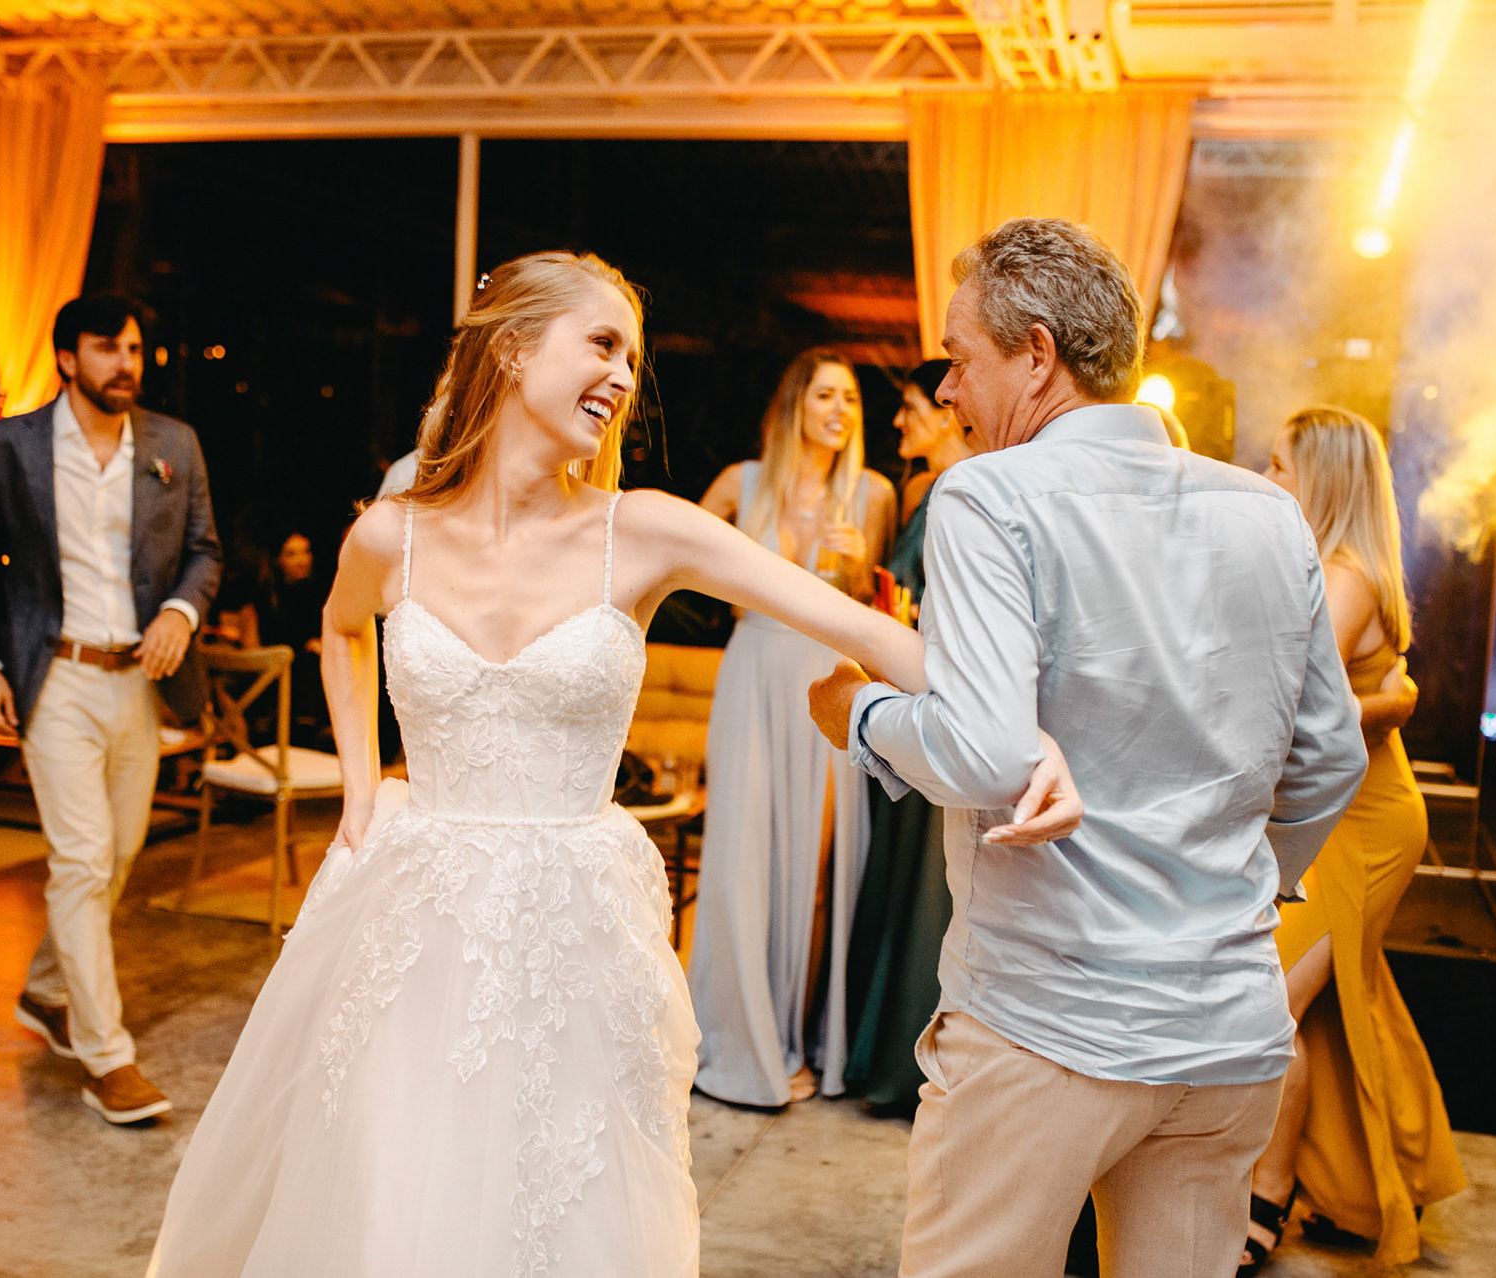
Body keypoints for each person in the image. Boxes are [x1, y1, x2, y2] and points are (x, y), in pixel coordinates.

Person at [144, 250, 1052, 1277]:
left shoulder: (646, 531)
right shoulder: (390, 537)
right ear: (515, 348)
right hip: (411, 918)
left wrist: (1023, 734)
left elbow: (869, 632)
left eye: (632, 357)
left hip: (569, 926)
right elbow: (339, 630)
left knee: (557, 1203)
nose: (624, 377)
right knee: (393, 1190)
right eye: (603, 345)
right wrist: (362, 787)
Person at [808, 217, 1368, 1278]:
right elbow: (1332, 757)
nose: (945, 391)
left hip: (1049, 1028)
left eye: (959, 358)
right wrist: (1235, 887)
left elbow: (983, 752)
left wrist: (861, 715)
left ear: (1036, 354)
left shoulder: (987, 495)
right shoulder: (1269, 514)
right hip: (1226, 1034)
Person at [0, 294, 221, 1126]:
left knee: (117, 856)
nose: (126, 363)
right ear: (68, 358)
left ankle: (45, 989)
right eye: (109, 348)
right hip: (58, 677)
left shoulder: (173, 443)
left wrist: (179, 613)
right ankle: (108, 1057)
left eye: (135, 349)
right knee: (82, 859)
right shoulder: (9, 446)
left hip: (138, 678)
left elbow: (203, 551)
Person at [1241, 407, 1465, 1273]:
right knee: (1334, 1011)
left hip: (1362, 825)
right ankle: (1373, 1181)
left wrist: (1381, 706)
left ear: (1324, 479)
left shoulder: (1346, 578)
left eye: (1278, 465)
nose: (1265, 478)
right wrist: (1389, 701)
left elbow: (1294, 715)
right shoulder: (1327, 565)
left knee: (1268, 1007)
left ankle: (1266, 1197)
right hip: (1335, 813)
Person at [688, 349, 896, 1107]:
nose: (841, 411)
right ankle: (737, 1038)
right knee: (740, 858)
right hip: (753, 671)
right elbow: (677, 565)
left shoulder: (871, 494)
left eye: (851, 400)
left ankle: (802, 1039)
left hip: (828, 677)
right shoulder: (738, 485)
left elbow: (879, 607)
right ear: (795, 405)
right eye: (827, 395)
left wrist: (861, 568)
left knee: (816, 868)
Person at [842, 359, 973, 1113]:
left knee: (929, 890)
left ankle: (909, 1061)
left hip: (930, 701)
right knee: (896, 879)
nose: (899, 421)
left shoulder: (968, 488)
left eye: (913, 406)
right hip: (895, 690)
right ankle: (876, 1052)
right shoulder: (924, 490)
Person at [240, 531, 330, 746]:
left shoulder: (320, 592)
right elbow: (252, 646)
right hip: (273, 669)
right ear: (278, 559)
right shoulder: (264, 595)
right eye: (291, 554)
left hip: (309, 671)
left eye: (305, 552)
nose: (301, 560)